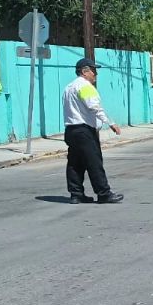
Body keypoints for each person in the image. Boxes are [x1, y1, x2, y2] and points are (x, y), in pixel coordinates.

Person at [62, 58, 124, 204]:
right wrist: (111, 123)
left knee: (75, 163)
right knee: (94, 162)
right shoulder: (85, 86)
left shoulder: (68, 87)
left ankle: (76, 194)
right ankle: (104, 193)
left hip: (71, 130)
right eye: (93, 70)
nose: (96, 74)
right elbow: (94, 107)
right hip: (84, 131)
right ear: (85, 71)